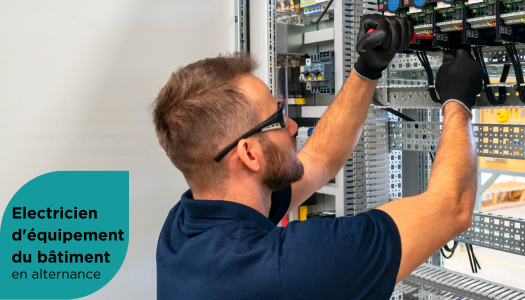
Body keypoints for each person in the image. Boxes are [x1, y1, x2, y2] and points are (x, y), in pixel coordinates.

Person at [154, 14, 482, 300]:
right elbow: (452, 207)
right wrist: (458, 102)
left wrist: (367, 69)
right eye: (277, 120)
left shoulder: (182, 230)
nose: (293, 125)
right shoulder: (289, 268)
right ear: (249, 154)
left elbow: (320, 159)